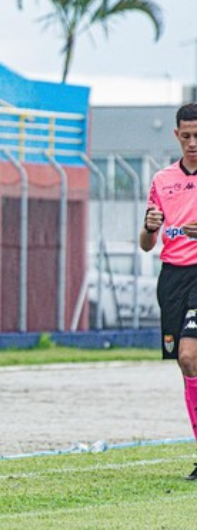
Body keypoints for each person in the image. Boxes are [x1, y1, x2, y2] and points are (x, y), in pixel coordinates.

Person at [141, 102, 197, 479]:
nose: (193, 143)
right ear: (177, 136)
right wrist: (149, 226)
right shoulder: (162, 180)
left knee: (190, 356)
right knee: (186, 365)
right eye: (187, 136)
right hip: (173, 278)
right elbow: (147, 243)